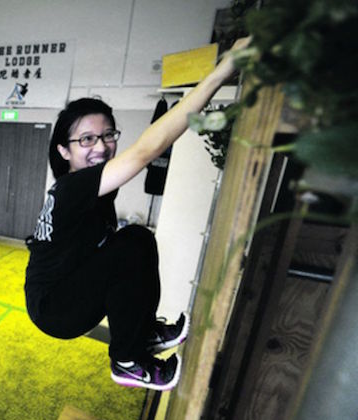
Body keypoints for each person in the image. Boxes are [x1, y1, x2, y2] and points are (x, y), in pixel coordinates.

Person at [24, 38, 250, 391]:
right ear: (63, 150)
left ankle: (143, 334)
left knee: (136, 239)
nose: (101, 146)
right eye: (86, 140)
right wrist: (221, 72)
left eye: (107, 135)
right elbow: (147, 150)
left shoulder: (92, 186)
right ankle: (128, 362)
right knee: (130, 246)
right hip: (54, 307)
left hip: (70, 288)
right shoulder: (72, 188)